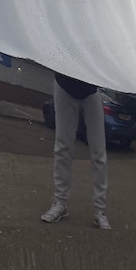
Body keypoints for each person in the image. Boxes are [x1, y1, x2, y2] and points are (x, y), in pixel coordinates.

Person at [42, 73, 109, 229]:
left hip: (91, 88)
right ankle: (60, 202)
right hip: (64, 84)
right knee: (63, 146)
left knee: (98, 151)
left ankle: (100, 211)